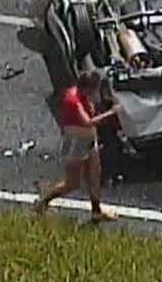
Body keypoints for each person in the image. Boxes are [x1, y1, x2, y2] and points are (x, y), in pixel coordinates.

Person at [33, 71, 121, 223]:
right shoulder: (74, 101)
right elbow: (87, 122)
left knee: (94, 177)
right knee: (72, 183)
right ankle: (44, 200)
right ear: (87, 88)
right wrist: (111, 113)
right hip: (75, 143)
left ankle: (96, 211)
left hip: (89, 140)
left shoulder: (84, 97)